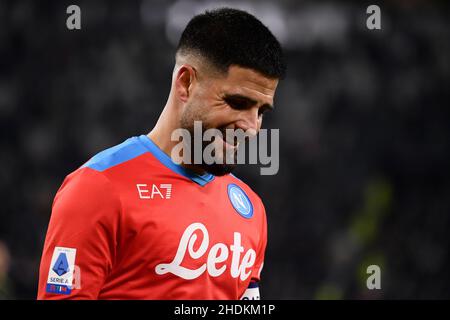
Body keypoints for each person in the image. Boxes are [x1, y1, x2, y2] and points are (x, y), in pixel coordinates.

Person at [37, 7, 285, 299]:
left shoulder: (251, 211)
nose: (251, 127)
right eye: (237, 102)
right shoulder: (97, 188)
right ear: (186, 83)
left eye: (261, 111)